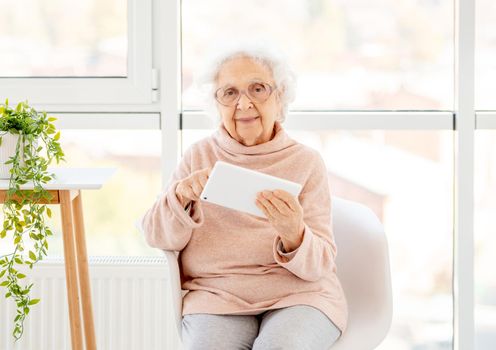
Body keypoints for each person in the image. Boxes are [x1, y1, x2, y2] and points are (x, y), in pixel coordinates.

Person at [141, 40, 348, 350]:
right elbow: (156, 236)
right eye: (230, 93)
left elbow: (319, 266)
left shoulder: (306, 162)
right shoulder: (198, 156)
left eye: (258, 89)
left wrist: (295, 234)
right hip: (217, 296)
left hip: (300, 296)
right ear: (217, 104)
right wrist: (181, 195)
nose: (244, 104)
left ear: (280, 98)